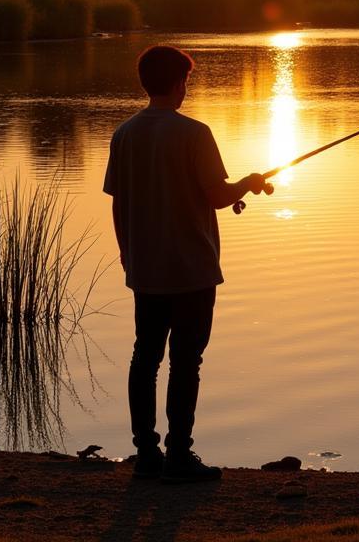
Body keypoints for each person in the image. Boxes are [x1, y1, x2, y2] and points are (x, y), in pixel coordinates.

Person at [103, 44, 273, 483]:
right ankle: (179, 455)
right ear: (179, 83)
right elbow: (217, 196)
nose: (186, 89)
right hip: (193, 270)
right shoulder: (195, 133)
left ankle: (146, 454)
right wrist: (249, 184)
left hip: (146, 268)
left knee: (145, 357)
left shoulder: (124, 134)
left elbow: (119, 203)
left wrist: (127, 251)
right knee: (185, 362)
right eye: (187, 81)